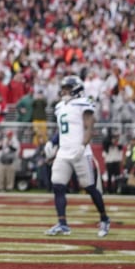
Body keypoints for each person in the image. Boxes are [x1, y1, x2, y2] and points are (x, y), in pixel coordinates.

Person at [45, 75, 110, 237]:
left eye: (67, 88)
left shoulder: (84, 103)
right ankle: (62, 224)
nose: (64, 91)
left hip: (80, 151)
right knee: (57, 185)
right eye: (64, 88)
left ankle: (104, 219)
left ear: (76, 90)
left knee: (89, 187)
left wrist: (83, 144)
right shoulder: (60, 106)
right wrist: (52, 142)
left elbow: (89, 127)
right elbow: (62, 129)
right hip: (64, 151)